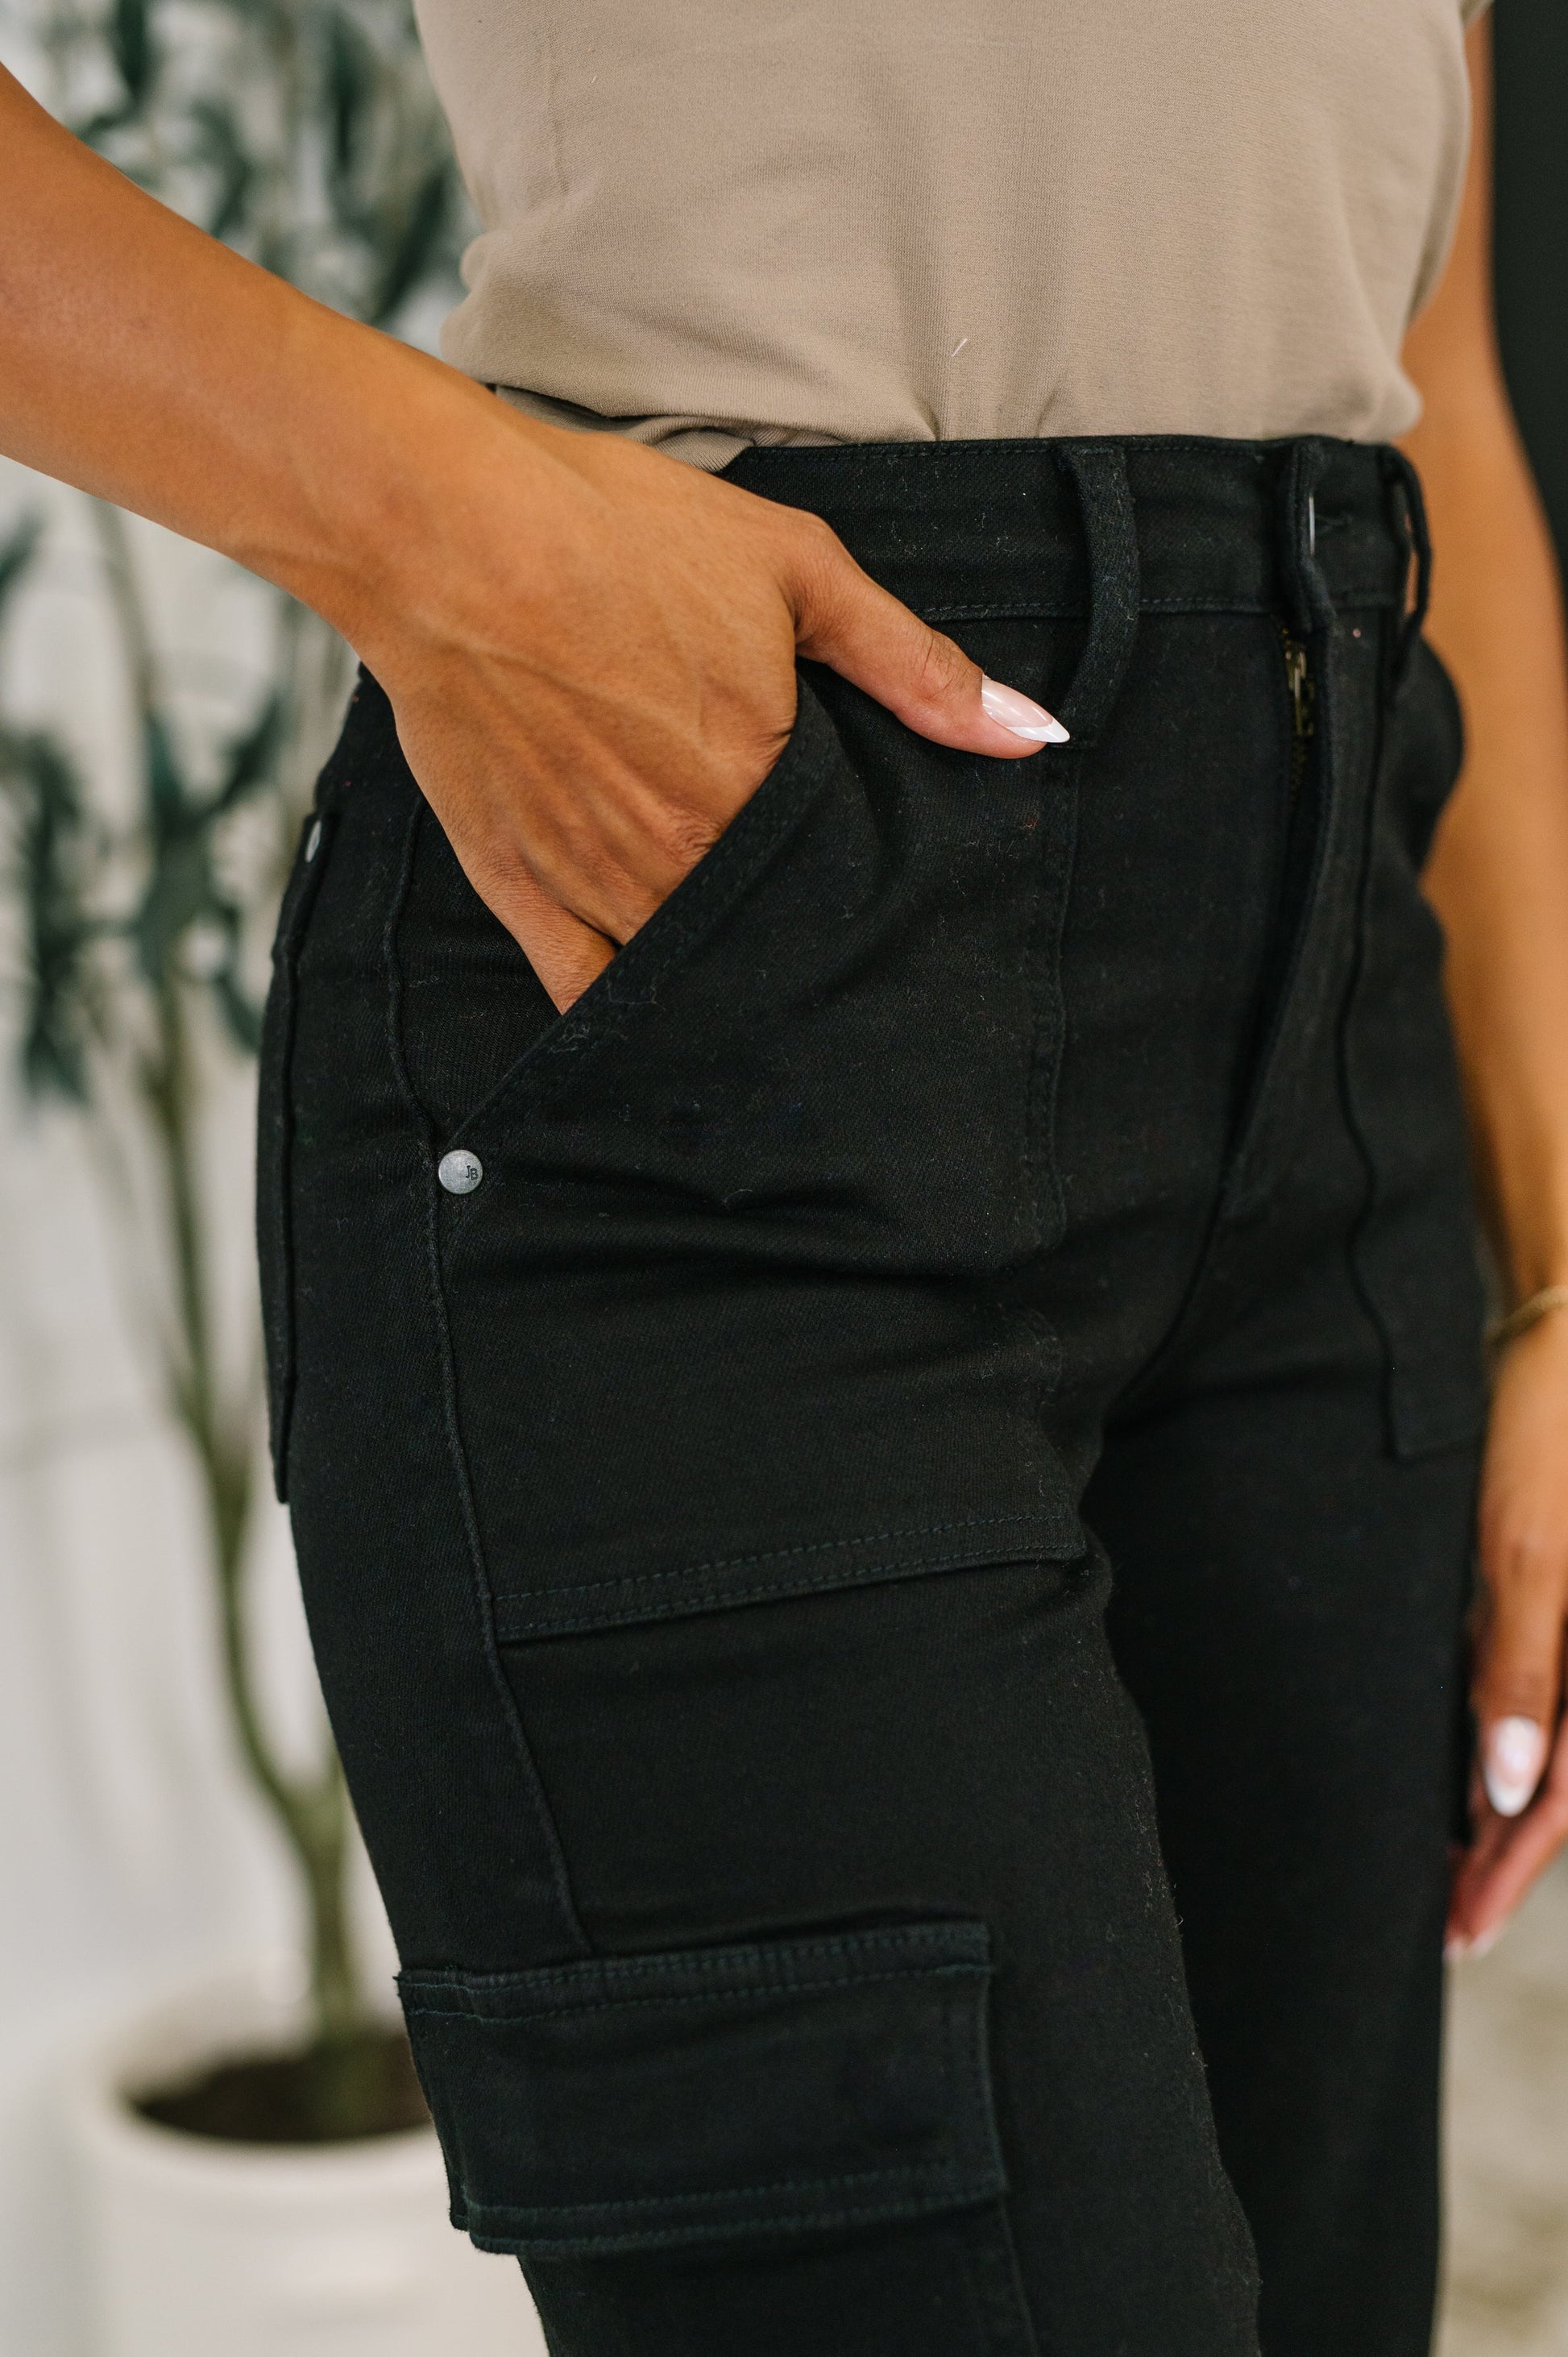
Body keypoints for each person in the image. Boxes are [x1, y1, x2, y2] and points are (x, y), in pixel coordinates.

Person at [4, 5, 1567, 2351]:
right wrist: (437, 529)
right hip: (734, 981)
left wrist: (1555, 1269)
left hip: (1338, 1004)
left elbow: (1431, 355)